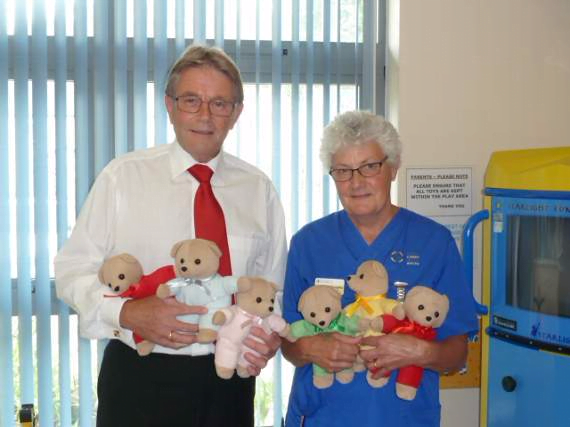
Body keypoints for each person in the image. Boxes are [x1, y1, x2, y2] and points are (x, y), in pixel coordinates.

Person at [54, 44, 287, 427]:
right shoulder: (123, 178)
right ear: (170, 105)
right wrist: (128, 311)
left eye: (220, 103)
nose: (205, 115)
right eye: (191, 100)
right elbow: (72, 270)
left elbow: (272, 289)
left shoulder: (258, 190)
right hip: (140, 377)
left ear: (237, 113)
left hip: (229, 384)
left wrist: (268, 337)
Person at [281, 111, 478, 427]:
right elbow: (288, 343)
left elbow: (457, 354)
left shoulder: (434, 242)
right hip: (323, 415)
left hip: (403, 416)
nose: (356, 182)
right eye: (343, 171)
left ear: (394, 167)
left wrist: (419, 351)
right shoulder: (308, 243)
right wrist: (311, 347)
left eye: (370, 167)